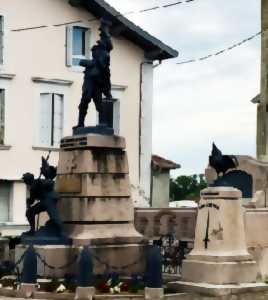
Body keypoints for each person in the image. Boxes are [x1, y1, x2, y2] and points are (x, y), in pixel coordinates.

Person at [76, 19, 113, 128]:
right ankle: (80, 123)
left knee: (99, 103)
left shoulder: (105, 54)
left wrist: (105, 27)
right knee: (84, 102)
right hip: (89, 81)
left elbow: (105, 72)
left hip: (97, 82)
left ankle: (103, 123)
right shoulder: (98, 55)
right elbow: (82, 62)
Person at [22, 158, 62, 236]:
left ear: (28, 180)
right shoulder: (33, 187)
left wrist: (42, 184)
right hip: (43, 202)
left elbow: (51, 183)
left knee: (54, 216)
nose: (25, 182)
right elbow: (32, 199)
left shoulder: (39, 182)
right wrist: (28, 202)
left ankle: (62, 232)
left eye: (25, 180)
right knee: (30, 212)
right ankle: (32, 230)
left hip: (49, 200)